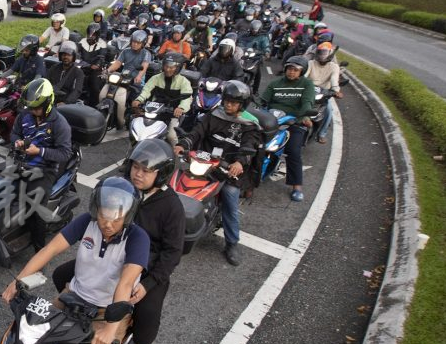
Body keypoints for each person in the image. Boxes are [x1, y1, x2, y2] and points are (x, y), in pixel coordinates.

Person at [0, 177, 149, 344]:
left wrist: (110, 328)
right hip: (73, 296)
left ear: (128, 216)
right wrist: (18, 281)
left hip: (108, 309)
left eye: (116, 219)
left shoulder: (138, 238)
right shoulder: (87, 222)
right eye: (103, 215)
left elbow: (126, 284)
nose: (107, 224)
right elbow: (50, 250)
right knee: (32, 333)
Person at [52, 140, 184, 344]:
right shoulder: (120, 187)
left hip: (146, 269)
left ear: (161, 174)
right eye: (136, 167)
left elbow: (173, 252)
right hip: (112, 256)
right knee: (61, 274)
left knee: (148, 311)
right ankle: (82, 318)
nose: (138, 174)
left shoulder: (171, 206)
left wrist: (148, 283)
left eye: (146, 170)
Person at [174, 80, 263, 266]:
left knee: (230, 198)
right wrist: (183, 144)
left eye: (234, 102)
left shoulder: (249, 124)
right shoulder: (213, 115)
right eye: (227, 101)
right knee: (176, 184)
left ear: (242, 104)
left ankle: (232, 243)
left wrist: (239, 162)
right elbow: (197, 132)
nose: (229, 105)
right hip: (204, 162)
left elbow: (249, 146)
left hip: (228, 169)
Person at [10, 78, 74, 249]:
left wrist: (39, 151)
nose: (32, 111)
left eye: (36, 108)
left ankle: (39, 249)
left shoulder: (60, 124)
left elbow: (65, 153)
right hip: (20, 162)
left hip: (45, 169)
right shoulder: (25, 115)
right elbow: (14, 133)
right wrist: (17, 142)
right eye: (30, 107)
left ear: (47, 104)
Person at [260, 57, 316, 202]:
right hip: (271, 121)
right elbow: (263, 101)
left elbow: (307, 102)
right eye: (289, 69)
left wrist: (305, 117)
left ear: (301, 72)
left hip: (293, 122)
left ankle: (296, 186)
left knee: (293, 152)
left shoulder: (306, 84)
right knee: (253, 143)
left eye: (296, 70)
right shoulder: (275, 83)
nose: (292, 72)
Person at [132, 52, 192, 144]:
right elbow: (146, 90)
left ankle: (175, 152)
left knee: (171, 136)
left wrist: (181, 108)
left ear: (178, 68)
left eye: (171, 67)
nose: (167, 69)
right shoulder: (155, 78)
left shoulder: (184, 82)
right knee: (138, 129)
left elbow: (187, 99)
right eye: (166, 66)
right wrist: (139, 99)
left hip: (172, 114)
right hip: (154, 111)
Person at [106, 30, 152, 129]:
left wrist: (139, 76)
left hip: (136, 81)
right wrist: (108, 70)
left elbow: (144, 67)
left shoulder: (146, 53)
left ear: (143, 43)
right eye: (133, 42)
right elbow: (117, 63)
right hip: (123, 78)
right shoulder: (125, 51)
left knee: (135, 102)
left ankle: (134, 119)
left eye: (138, 43)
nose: (135, 44)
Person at [306, 42, 342, 144]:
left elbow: (334, 80)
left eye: (325, 53)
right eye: (321, 52)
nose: (322, 56)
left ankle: (322, 134)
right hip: (308, 91)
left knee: (329, 111)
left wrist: (336, 91)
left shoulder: (334, 67)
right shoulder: (311, 63)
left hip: (323, 94)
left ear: (330, 54)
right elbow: (305, 75)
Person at [77, 22, 107, 107]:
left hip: (95, 69)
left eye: (93, 35)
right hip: (82, 66)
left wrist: (97, 64)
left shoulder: (102, 44)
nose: (90, 36)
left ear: (97, 35)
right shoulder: (82, 42)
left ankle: (94, 105)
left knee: (95, 87)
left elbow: (101, 58)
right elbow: (76, 54)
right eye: (89, 34)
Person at [45, 40, 85, 105]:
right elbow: (46, 82)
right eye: (64, 55)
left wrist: (66, 102)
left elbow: (77, 91)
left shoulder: (78, 72)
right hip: (50, 99)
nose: (66, 57)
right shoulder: (54, 67)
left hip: (66, 102)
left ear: (73, 56)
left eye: (69, 55)